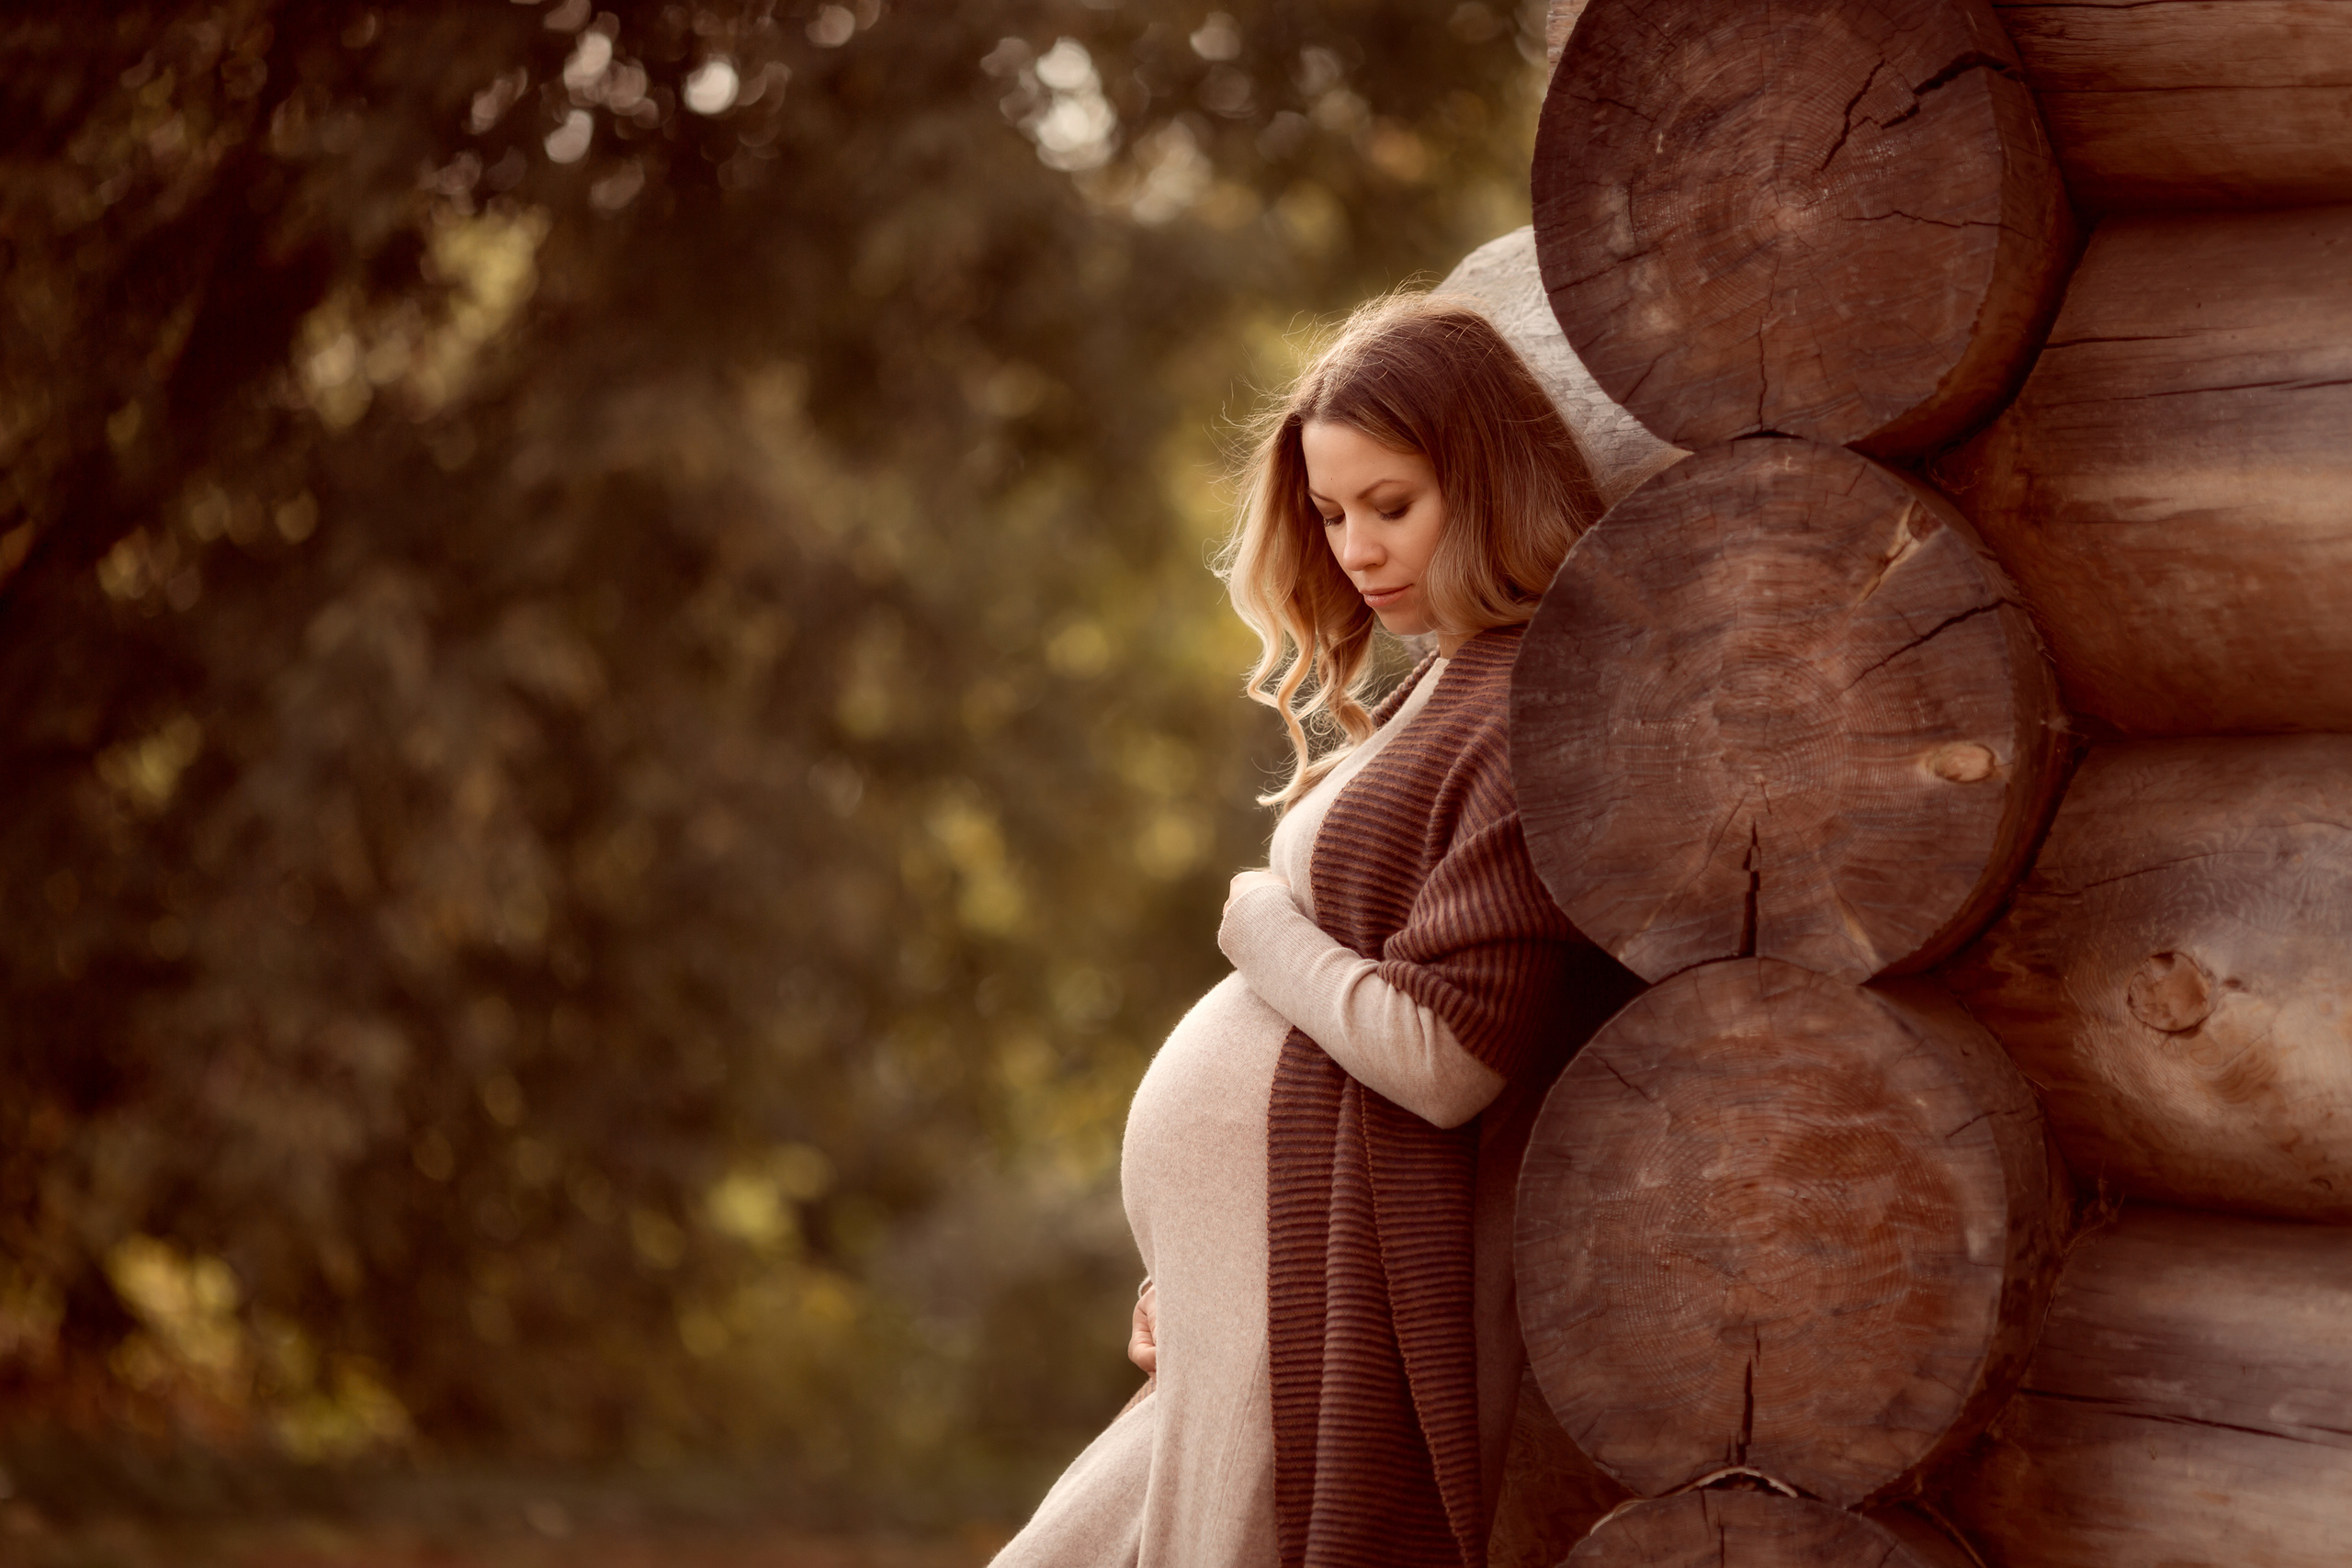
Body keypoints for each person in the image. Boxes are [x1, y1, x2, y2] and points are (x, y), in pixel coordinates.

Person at [991, 292, 1638, 1568]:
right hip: (1262, 1272)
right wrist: (1190, 1256)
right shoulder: (1443, 680)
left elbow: (1449, 1061)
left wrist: (1261, 928)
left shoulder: (1529, 704)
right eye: (1332, 515)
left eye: (1391, 506)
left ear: (1488, 481)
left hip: (1330, 1282)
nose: (1356, 551)